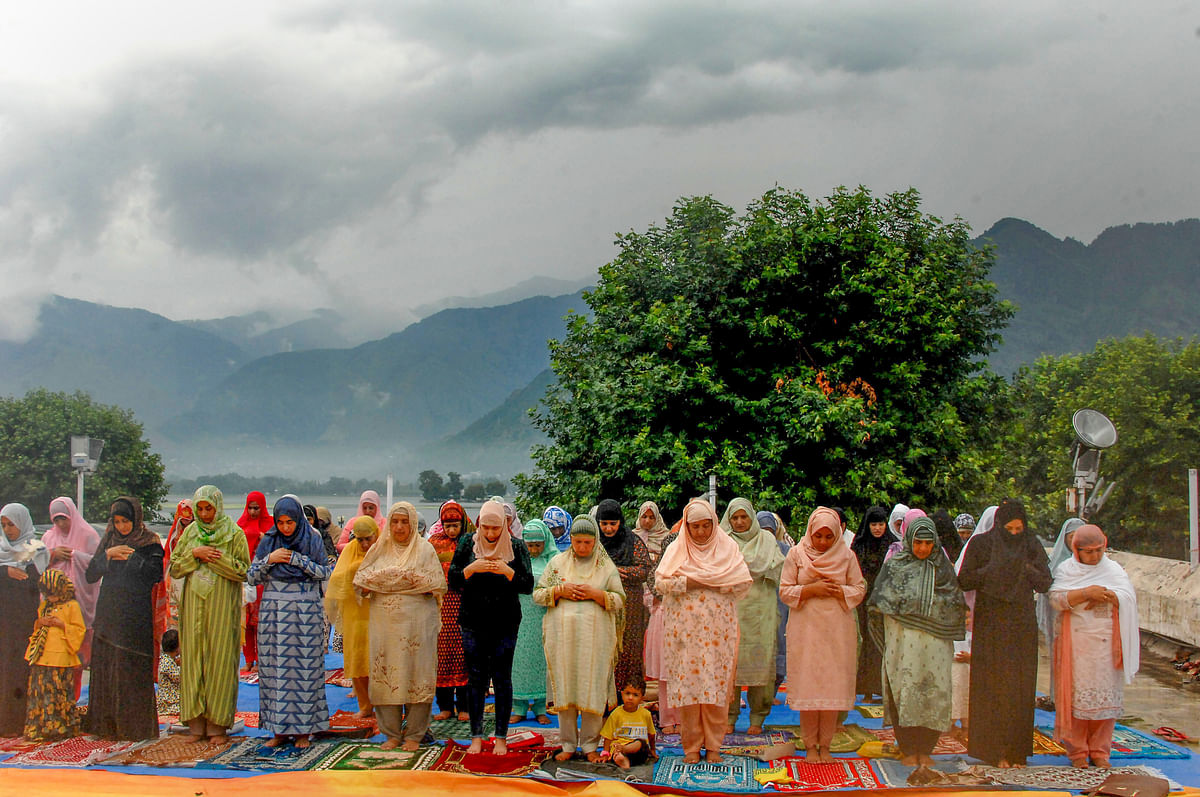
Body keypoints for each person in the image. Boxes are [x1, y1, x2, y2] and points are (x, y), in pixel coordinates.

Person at [655, 499, 752, 764]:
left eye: (705, 526)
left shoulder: (728, 549)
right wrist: (690, 582)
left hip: (718, 634)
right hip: (684, 635)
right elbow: (661, 583)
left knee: (715, 691)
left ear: (714, 524)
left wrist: (712, 583)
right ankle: (690, 748)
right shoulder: (677, 549)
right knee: (689, 691)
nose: (699, 532)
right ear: (686, 527)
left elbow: (742, 583)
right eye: (694, 527)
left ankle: (714, 747)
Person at [957, 498, 1052, 767]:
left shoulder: (1031, 544)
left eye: (1017, 529)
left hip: (1021, 622)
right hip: (991, 623)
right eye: (1008, 529)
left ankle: (1016, 751)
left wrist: (1025, 568)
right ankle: (992, 750)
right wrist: (992, 570)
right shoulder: (982, 544)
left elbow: (1045, 582)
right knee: (992, 685)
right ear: (999, 525)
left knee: (1019, 687)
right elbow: (964, 579)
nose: (1013, 534)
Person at [866, 515, 966, 766]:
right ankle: (909, 749)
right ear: (910, 540)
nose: (923, 548)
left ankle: (926, 749)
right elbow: (879, 604)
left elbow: (954, 605)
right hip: (902, 642)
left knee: (934, 692)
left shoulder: (943, 569)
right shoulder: (896, 565)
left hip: (936, 643)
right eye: (918, 542)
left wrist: (930, 614)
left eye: (928, 543)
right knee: (905, 690)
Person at [354, 501, 446, 751]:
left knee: (417, 673)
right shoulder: (379, 550)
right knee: (387, 672)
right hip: (386, 626)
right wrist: (400, 581)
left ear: (413, 523)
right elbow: (361, 583)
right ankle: (392, 733)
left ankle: (415, 733)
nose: (399, 527)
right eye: (395, 521)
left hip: (418, 625)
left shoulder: (425, 550)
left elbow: (436, 584)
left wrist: (391, 582)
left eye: (405, 522)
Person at [534, 515, 626, 762]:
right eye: (577, 542)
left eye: (587, 542)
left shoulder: (605, 567)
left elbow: (620, 599)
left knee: (592, 689)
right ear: (571, 540)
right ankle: (567, 744)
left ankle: (589, 746)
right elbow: (538, 595)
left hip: (595, 643)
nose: (582, 548)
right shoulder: (557, 564)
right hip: (563, 641)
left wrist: (597, 594)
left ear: (595, 541)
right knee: (567, 688)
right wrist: (559, 591)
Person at [780, 506, 866, 764]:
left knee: (831, 690)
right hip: (806, 631)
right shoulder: (796, 554)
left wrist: (838, 591)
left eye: (829, 537)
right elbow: (785, 590)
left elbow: (859, 588)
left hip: (837, 632)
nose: (823, 542)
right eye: (819, 536)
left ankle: (825, 746)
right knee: (809, 690)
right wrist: (811, 590)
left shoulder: (847, 556)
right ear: (810, 532)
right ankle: (809, 747)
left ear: (838, 534)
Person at [448, 500, 534, 755]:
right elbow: (453, 580)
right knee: (476, 679)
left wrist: (508, 572)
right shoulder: (467, 543)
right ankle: (476, 736)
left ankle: (500, 737)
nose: (490, 534)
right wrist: (471, 569)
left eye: (496, 529)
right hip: (472, 621)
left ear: (505, 527)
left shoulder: (516, 546)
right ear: (479, 525)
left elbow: (527, 584)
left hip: (505, 622)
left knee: (502, 678)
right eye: (485, 528)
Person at [1049, 524, 1138, 769]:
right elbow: (1056, 599)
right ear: (1076, 550)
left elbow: (1127, 595)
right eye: (1088, 552)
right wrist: (1087, 592)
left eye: (1099, 550)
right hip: (1077, 644)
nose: (1095, 556)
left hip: (1108, 643)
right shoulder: (1067, 570)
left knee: (1105, 701)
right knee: (1076, 699)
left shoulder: (1113, 569)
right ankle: (1078, 752)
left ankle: (1100, 752)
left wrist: (1110, 596)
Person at [247, 496, 332, 748]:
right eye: (281, 522)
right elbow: (252, 576)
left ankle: (304, 731)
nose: (286, 527)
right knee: (276, 670)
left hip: (305, 612)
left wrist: (297, 560)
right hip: (274, 614)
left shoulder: (312, 538)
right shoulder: (270, 540)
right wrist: (269, 559)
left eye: (290, 522)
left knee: (304, 670)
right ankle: (278, 730)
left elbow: (324, 572)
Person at [169, 485, 250, 744]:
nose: (204, 514)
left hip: (222, 607)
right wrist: (195, 554)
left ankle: (217, 726)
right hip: (194, 608)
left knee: (219, 662)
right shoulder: (191, 533)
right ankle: (196, 725)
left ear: (218, 507)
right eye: (200, 509)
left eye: (209, 509)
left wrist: (216, 559)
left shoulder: (234, 533)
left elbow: (244, 571)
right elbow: (175, 568)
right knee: (193, 662)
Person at [85, 496, 164, 740]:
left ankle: (133, 728)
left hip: (134, 616)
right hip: (109, 614)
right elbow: (90, 574)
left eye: (126, 521)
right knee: (107, 666)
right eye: (117, 521)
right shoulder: (109, 539)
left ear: (136, 518)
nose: (122, 527)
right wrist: (108, 555)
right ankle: (105, 727)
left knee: (130, 667)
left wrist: (131, 558)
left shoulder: (149, 541)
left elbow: (156, 574)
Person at [719, 497, 785, 735]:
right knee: (730, 664)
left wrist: (745, 569)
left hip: (761, 611)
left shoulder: (766, 539)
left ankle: (757, 718)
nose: (739, 522)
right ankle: (729, 716)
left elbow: (779, 568)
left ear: (752, 518)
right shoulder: (722, 541)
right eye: (734, 517)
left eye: (743, 517)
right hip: (731, 609)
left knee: (761, 663)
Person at [596, 499, 652, 695]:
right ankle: (605, 700)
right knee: (604, 650)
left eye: (613, 523)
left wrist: (622, 572)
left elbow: (645, 569)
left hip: (630, 608)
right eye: (604, 524)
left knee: (628, 651)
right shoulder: (594, 543)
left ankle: (629, 697)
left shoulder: (632, 541)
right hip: (602, 605)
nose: (609, 528)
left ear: (620, 521)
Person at [45, 496, 101, 691]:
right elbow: (39, 567)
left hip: (79, 605)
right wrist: (52, 554)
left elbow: (97, 566)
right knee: (55, 653)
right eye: (56, 520)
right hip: (54, 607)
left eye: (64, 518)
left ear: (72, 515)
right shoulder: (49, 538)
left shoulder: (88, 535)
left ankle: (73, 700)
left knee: (77, 657)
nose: (61, 524)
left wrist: (75, 556)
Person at [0, 504, 47, 735]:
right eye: (4, 525)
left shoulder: (36, 548)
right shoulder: (1, 549)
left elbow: (39, 582)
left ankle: (20, 723)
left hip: (25, 620)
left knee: (21, 668)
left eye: (12, 525)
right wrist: (5, 572)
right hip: (3, 620)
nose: (8, 530)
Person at [23, 569, 86, 741]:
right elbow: (36, 629)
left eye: (53, 595)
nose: (50, 598)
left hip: (61, 658)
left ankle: (59, 728)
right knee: (40, 692)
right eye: (47, 595)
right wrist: (40, 623)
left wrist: (61, 624)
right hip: (41, 656)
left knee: (58, 692)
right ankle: (39, 728)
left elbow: (79, 630)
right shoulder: (44, 607)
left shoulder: (72, 606)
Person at [325, 516, 378, 717]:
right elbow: (337, 578)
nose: (364, 544)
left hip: (377, 613)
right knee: (357, 658)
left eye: (368, 539)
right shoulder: (349, 550)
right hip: (355, 614)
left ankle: (382, 705)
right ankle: (365, 705)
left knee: (376, 659)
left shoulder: (382, 551)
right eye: (360, 539)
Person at [428, 500, 473, 720]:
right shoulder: (434, 543)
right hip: (441, 606)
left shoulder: (472, 542)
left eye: (455, 525)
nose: (451, 530)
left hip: (466, 605)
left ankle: (464, 707)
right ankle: (445, 706)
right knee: (442, 655)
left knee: (465, 655)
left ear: (462, 523)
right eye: (447, 526)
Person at [512, 519, 556, 724]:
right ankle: (518, 707)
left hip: (543, 616)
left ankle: (540, 708)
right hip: (520, 617)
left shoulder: (554, 560)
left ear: (546, 542)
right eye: (530, 545)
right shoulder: (517, 558)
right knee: (518, 660)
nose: (534, 549)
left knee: (541, 660)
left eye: (538, 544)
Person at [851, 506, 891, 704]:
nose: (877, 528)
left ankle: (881, 687)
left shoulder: (893, 545)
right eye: (873, 524)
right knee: (864, 642)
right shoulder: (858, 545)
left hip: (884, 601)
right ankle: (865, 688)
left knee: (882, 642)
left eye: (881, 524)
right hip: (863, 600)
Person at [236, 491, 272, 674]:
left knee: (260, 623)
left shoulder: (271, 526)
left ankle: (260, 659)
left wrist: (263, 538)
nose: (252, 512)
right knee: (246, 623)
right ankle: (248, 659)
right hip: (245, 578)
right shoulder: (240, 525)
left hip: (263, 580)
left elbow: (275, 548)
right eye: (249, 507)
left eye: (256, 508)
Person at [601, 680, 658, 769]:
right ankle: (623, 761)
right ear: (622, 694)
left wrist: (653, 750)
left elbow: (651, 734)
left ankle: (624, 756)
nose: (630, 698)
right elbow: (608, 736)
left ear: (642, 698)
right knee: (616, 753)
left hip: (638, 750)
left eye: (635, 695)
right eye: (627, 694)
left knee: (640, 743)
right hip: (619, 748)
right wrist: (605, 753)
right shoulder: (616, 713)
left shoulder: (646, 714)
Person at [163, 499, 194, 626]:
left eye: (189, 520)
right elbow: (167, 557)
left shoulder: (198, 534)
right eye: (183, 520)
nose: (185, 523)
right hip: (175, 579)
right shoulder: (175, 536)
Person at [156, 628, 182, 716]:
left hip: (171, 702)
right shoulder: (167, 662)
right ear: (177, 648)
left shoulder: (168, 659)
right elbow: (179, 677)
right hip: (168, 705)